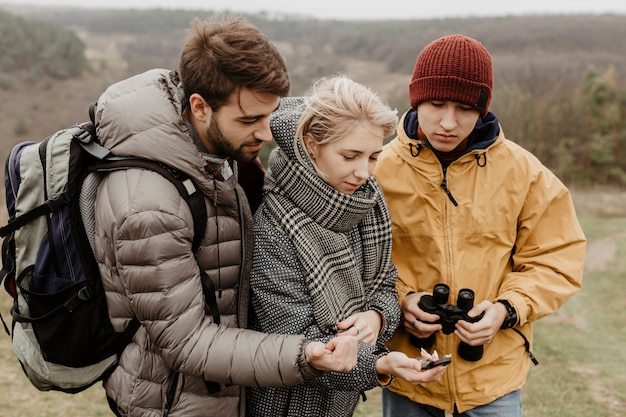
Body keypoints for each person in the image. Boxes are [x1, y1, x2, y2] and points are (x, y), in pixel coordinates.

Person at [91, 16, 359, 417]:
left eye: (271, 114)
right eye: (249, 120)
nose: (266, 133)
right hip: (173, 402)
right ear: (198, 106)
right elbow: (187, 344)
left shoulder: (209, 149)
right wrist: (306, 355)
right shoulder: (149, 207)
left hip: (224, 389)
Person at [373, 34, 587, 416]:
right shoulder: (376, 170)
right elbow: (357, 262)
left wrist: (507, 309)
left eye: (465, 108)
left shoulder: (525, 173)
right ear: (416, 98)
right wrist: (402, 302)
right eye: (436, 104)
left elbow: (557, 257)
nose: (449, 122)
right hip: (411, 374)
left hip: (493, 380)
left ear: (483, 109)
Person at [247, 75, 448, 417]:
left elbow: (385, 281)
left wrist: (377, 317)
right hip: (282, 402)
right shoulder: (273, 223)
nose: (363, 172)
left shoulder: (366, 204)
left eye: (372, 157)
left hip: (341, 402)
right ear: (311, 144)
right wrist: (383, 363)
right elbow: (297, 339)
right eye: (350, 155)